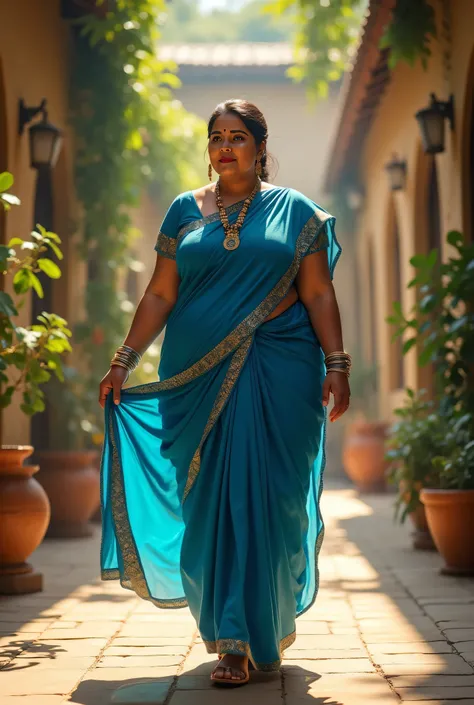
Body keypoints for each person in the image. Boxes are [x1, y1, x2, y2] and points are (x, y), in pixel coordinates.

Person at [99, 99, 350, 687]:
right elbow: (160, 294)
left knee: (274, 498)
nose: (225, 147)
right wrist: (123, 360)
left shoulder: (298, 214)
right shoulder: (184, 212)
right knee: (208, 501)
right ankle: (230, 640)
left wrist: (336, 363)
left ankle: (260, 626)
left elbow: (318, 295)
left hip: (281, 369)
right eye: (216, 137)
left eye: (238, 137)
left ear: (262, 146)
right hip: (195, 377)